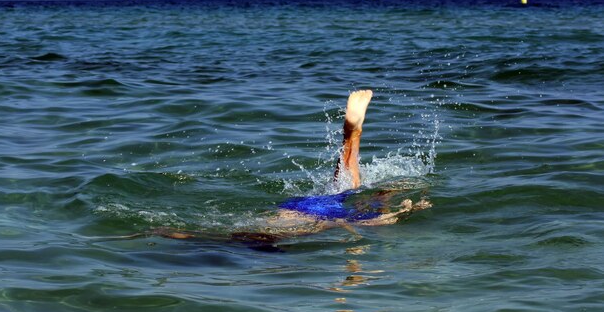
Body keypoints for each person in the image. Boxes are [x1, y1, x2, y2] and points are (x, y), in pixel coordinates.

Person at [148, 90, 431, 245]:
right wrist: (165, 231)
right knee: (344, 190)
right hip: (298, 208)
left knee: (347, 191)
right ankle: (351, 138)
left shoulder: (280, 232)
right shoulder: (247, 231)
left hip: (309, 211)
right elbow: (198, 235)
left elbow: (349, 226)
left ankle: (352, 138)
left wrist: (404, 211)